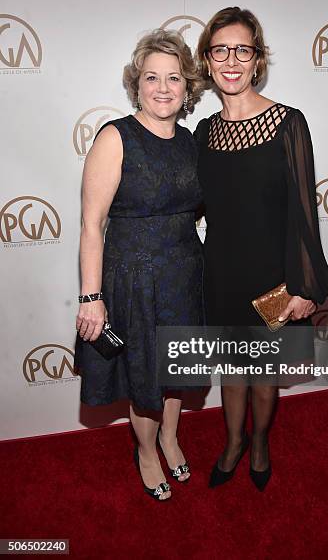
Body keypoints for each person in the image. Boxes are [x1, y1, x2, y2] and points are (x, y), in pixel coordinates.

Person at [195, 7, 328, 491]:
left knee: (263, 372)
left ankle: (258, 443)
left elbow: (304, 212)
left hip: (274, 278)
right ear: (208, 61)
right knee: (233, 369)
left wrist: (306, 284)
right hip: (223, 275)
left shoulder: (287, 123)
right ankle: (233, 443)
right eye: (220, 50)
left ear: (256, 59)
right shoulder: (203, 133)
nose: (231, 59)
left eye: (242, 49)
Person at [75, 29, 204, 501]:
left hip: (186, 275)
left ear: (188, 86)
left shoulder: (191, 142)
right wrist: (91, 298)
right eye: (152, 77)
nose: (163, 88)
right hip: (134, 278)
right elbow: (92, 225)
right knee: (147, 374)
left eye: (174, 78)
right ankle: (147, 451)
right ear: (137, 84)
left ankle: (171, 437)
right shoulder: (117, 136)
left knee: (178, 372)